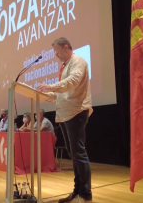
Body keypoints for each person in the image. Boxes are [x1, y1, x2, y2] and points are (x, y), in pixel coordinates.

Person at [37, 37, 93, 203]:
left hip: (76, 112)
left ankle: (85, 195)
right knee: (74, 155)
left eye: (57, 51)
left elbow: (73, 83)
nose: (55, 55)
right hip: (65, 114)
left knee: (79, 154)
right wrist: (45, 95)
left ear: (66, 47)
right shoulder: (64, 66)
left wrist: (51, 86)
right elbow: (61, 93)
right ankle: (77, 191)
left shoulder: (78, 62)